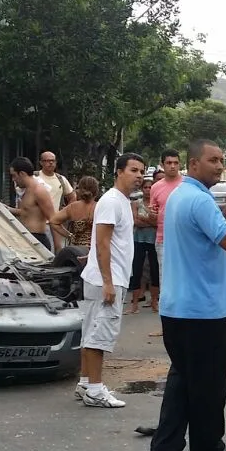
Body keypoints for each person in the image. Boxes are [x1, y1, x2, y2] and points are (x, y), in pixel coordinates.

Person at [151, 139, 226, 451]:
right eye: (212, 160)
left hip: (178, 308)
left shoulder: (181, 195)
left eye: (220, 160)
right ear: (193, 164)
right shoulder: (197, 200)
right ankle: (207, 444)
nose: (218, 165)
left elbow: (211, 225)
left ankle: (166, 447)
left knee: (184, 380)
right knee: (209, 382)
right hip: (202, 311)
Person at [74, 154, 146, 408]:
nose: (139, 176)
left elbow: (105, 243)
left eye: (141, 171)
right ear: (118, 171)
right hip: (108, 278)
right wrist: (107, 281)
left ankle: (86, 382)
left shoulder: (123, 201)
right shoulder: (111, 201)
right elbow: (103, 242)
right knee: (99, 335)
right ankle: (95, 389)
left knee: (92, 330)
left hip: (108, 276)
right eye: (133, 170)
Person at [148, 149, 185, 338]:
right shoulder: (156, 187)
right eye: (168, 163)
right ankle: (167, 326)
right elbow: (152, 211)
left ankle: (187, 322)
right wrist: (152, 215)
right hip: (163, 240)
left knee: (185, 281)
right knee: (166, 284)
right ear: (162, 164)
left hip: (185, 241)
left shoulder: (186, 184)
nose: (172, 166)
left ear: (180, 164)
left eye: (175, 163)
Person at [9, 157, 57, 250]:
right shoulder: (24, 191)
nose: (13, 179)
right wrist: (7, 209)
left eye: (14, 175)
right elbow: (26, 212)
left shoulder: (39, 191)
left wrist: (58, 247)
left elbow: (53, 219)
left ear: (22, 174)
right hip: (25, 238)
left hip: (37, 240)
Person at [128, 178, 160, 315]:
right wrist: (151, 221)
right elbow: (135, 221)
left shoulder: (157, 204)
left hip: (154, 240)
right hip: (139, 240)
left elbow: (159, 222)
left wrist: (145, 220)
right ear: (142, 189)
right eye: (145, 187)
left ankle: (154, 302)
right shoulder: (136, 203)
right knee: (137, 269)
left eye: (150, 187)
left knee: (155, 271)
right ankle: (134, 304)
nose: (148, 190)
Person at [50, 176, 99, 248]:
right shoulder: (99, 207)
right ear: (96, 191)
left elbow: (53, 221)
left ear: (80, 190)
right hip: (94, 250)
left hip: (76, 250)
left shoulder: (73, 207)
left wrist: (69, 235)